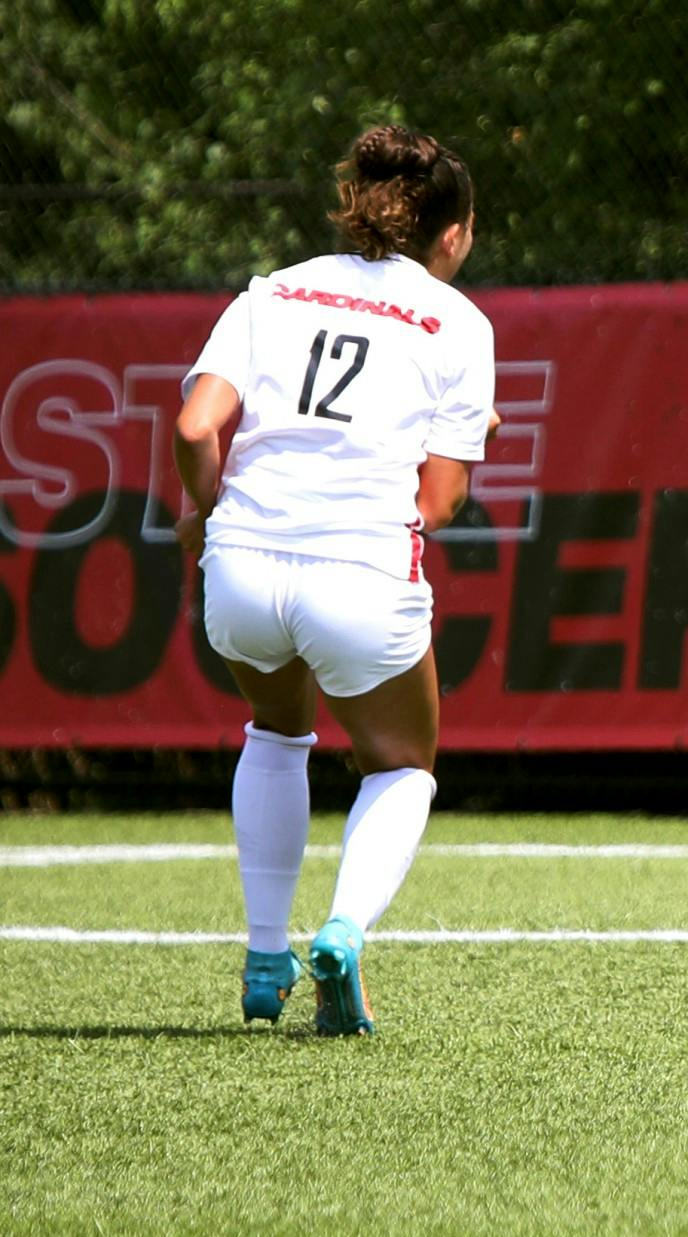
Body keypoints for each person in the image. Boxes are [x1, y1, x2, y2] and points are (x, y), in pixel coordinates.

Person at [172, 124, 494, 1035]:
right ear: (455, 232)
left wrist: (204, 512)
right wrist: (470, 448)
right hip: (358, 572)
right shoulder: (458, 323)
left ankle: (265, 953)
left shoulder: (270, 294)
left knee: (275, 736)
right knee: (402, 766)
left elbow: (199, 428)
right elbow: (435, 501)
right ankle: (344, 935)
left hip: (242, 566)